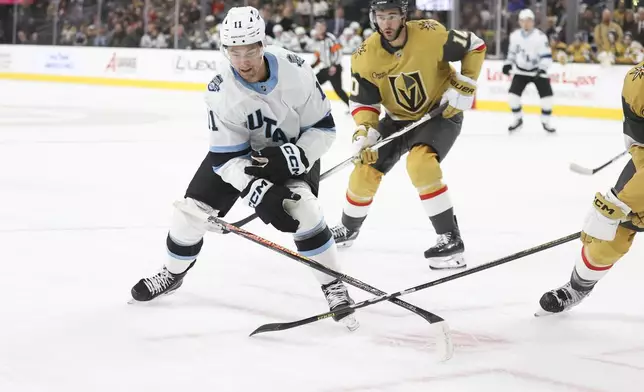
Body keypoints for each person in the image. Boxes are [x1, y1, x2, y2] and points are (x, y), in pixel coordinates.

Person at [130, 6, 359, 332]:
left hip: (293, 150)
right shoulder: (220, 91)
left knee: (304, 210)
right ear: (225, 51)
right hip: (242, 158)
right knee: (189, 213)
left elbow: (323, 129)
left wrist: (293, 156)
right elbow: (225, 159)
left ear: (262, 44)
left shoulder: (297, 70)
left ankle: (333, 285)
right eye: (234, 52)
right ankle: (172, 273)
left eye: (249, 50)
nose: (243, 61)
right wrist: (258, 192)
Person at [329, 0, 486, 270]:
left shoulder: (430, 34)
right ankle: (348, 228)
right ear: (373, 18)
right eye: (381, 17)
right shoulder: (365, 55)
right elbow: (365, 103)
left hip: (438, 114)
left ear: (403, 16)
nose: (386, 23)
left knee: (420, 163)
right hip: (396, 121)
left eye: (392, 16)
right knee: (365, 167)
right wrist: (364, 131)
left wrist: (466, 84)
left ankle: (450, 238)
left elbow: (475, 45)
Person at [537, 61, 644, 315]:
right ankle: (578, 286)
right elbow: (637, 140)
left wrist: (616, 204)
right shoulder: (638, 80)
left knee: (613, 216)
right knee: (610, 235)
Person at [503, 9, 555, 133]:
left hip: (537, 71)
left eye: (528, 21)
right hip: (521, 71)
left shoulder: (540, 37)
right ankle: (518, 120)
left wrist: (542, 68)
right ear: (519, 22)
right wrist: (508, 64)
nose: (526, 23)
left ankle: (546, 122)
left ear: (533, 22)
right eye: (523, 21)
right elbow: (512, 53)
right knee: (512, 97)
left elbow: (547, 56)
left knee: (547, 98)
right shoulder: (514, 36)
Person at [311, 20, 351, 109]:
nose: (320, 29)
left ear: (325, 28)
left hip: (334, 69)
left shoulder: (330, 38)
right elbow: (318, 56)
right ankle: (315, 107)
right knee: (313, 85)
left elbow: (338, 52)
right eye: (318, 27)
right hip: (325, 69)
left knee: (338, 90)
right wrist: (311, 66)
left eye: (321, 27)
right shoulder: (318, 41)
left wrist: (334, 65)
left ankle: (351, 107)